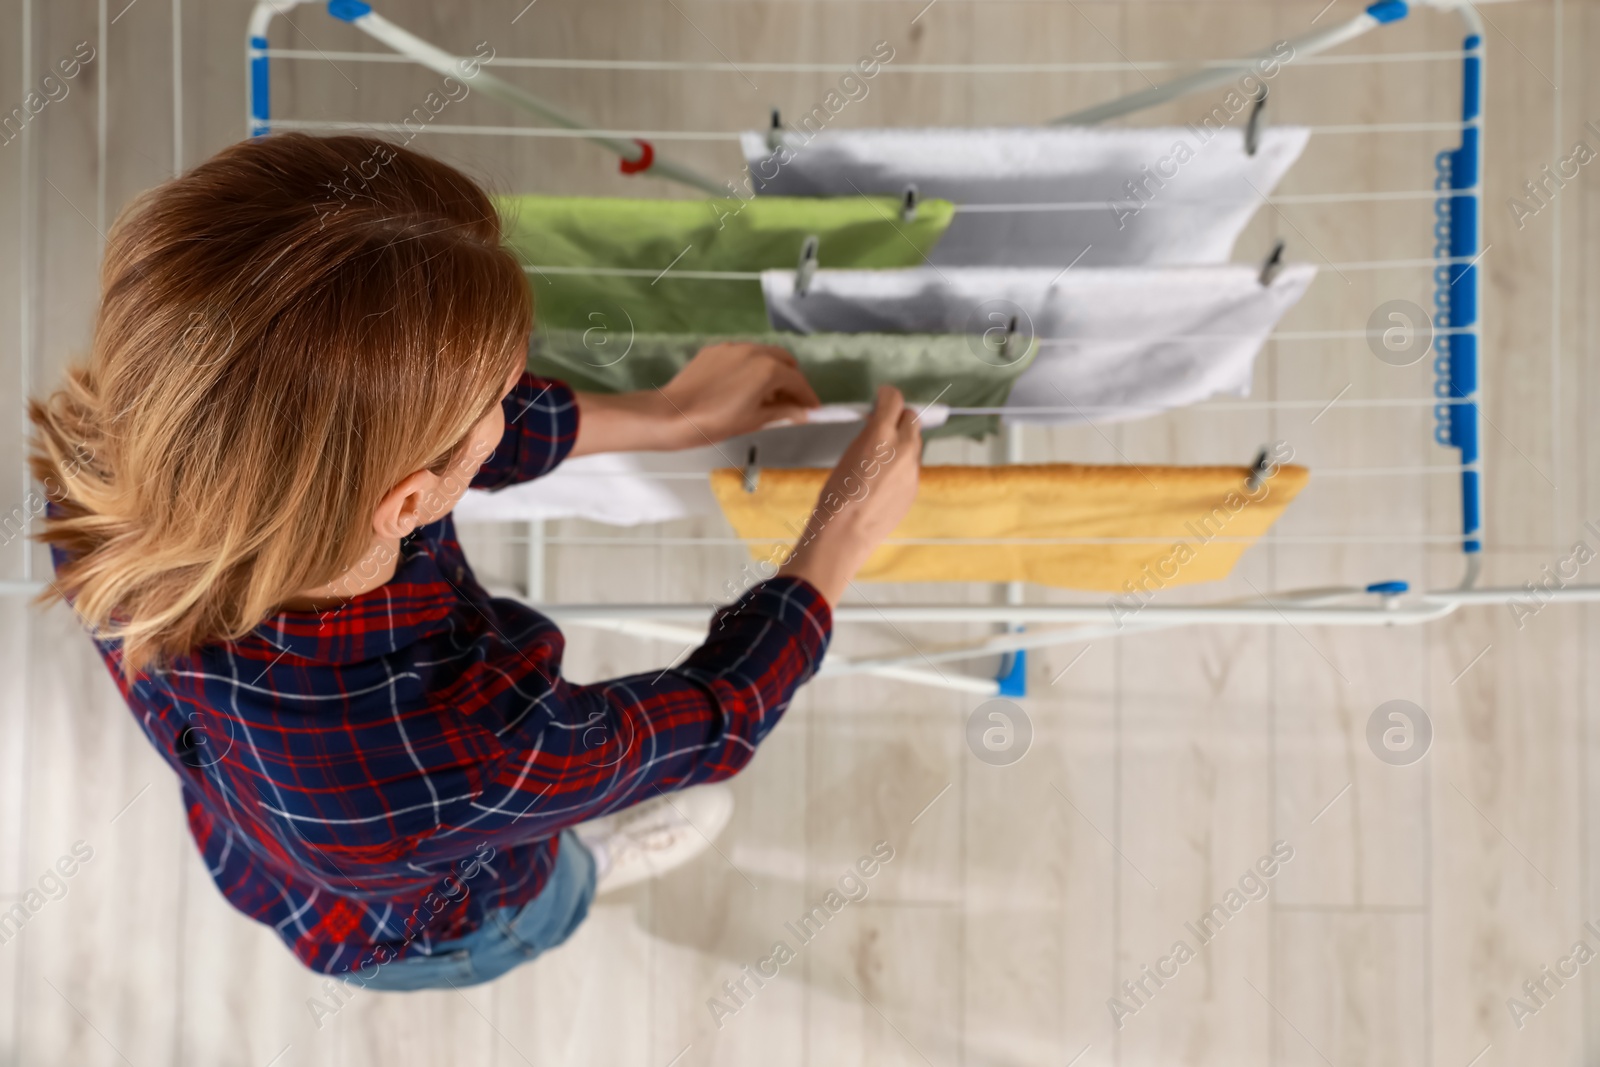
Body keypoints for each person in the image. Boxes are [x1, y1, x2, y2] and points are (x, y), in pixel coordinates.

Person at [27, 133, 921, 991]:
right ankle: (588, 862)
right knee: (550, 882)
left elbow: (400, 434)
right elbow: (716, 716)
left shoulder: (102, 466)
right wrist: (836, 536)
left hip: (262, 845)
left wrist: (666, 414)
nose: (514, 397)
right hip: (449, 923)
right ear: (407, 503)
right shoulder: (469, 748)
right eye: (502, 393)